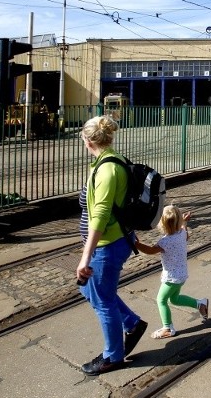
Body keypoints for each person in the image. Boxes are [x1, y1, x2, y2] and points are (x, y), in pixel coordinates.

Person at [76, 115, 148, 376]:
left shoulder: (107, 169)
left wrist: (85, 257)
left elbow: (101, 214)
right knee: (92, 292)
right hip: (108, 242)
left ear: (87, 139)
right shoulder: (106, 161)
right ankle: (131, 322)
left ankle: (113, 356)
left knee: (102, 300)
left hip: (106, 245)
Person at [134, 205, 209, 339]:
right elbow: (185, 231)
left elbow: (150, 251)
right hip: (181, 275)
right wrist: (185, 222)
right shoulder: (181, 234)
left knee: (161, 300)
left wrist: (136, 244)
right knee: (174, 299)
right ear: (179, 221)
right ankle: (200, 304)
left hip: (172, 278)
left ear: (161, 223)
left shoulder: (165, 241)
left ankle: (167, 327)